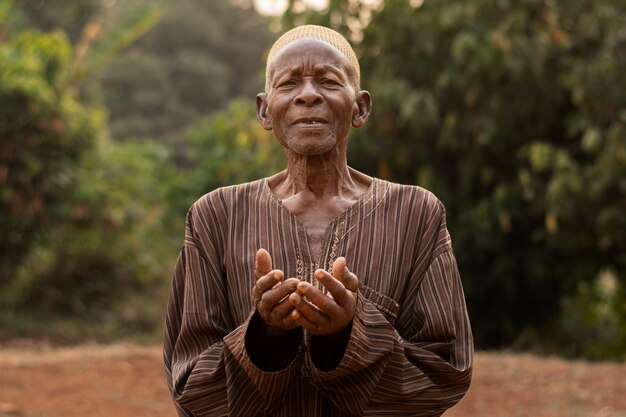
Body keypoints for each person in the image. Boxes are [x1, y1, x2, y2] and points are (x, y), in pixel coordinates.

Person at [164, 25, 473, 417]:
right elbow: (190, 384)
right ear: (264, 110)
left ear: (360, 107)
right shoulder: (215, 216)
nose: (308, 94)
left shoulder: (416, 214)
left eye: (327, 81)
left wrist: (346, 335)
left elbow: (443, 375)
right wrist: (265, 336)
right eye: (289, 83)